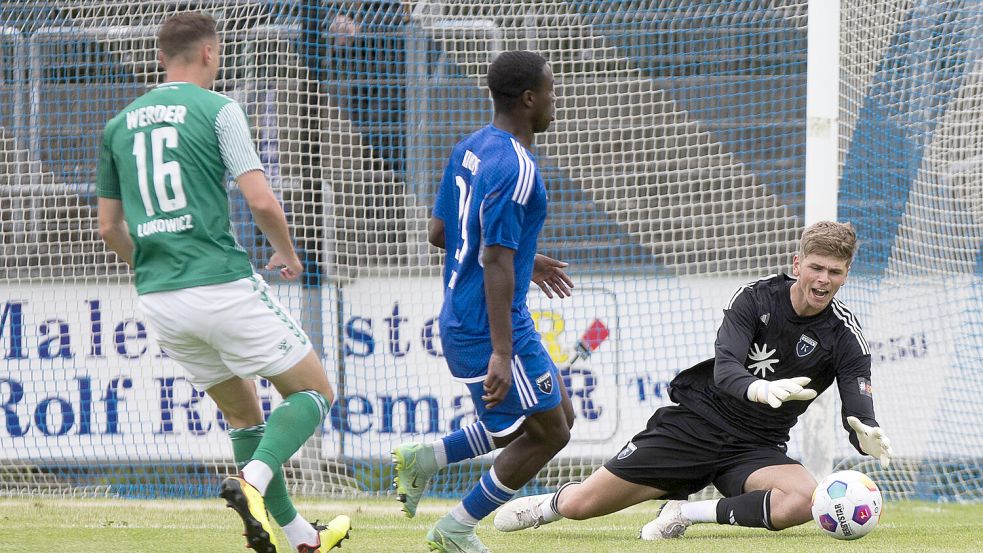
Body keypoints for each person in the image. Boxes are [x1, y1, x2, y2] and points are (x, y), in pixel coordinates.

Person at [96, 12, 350, 553]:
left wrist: (157, 264)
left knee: (243, 415)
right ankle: (253, 483)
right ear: (210, 54)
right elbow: (259, 198)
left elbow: (109, 227)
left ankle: (301, 537)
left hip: (160, 297)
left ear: (161, 57)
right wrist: (286, 251)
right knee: (315, 392)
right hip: (221, 283)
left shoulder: (118, 125)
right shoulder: (219, 109)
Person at [493, 221, 894, 540]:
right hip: (695, 426)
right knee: (581, 506)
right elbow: (726, 368)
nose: (823, 280)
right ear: (797, 265)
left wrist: (866, 432)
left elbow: (858, 409)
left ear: (846, 275)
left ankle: (684, 513)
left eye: (834, 272)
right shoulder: (754, 299)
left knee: (805, 499)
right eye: (816, 267)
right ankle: (547, 506)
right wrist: (760, 388)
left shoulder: (845, 335)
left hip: (755, 448)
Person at [391, 50, 576, 553]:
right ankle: (454, 529)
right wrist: (501, 350)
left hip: (473, 314)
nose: (555, 100)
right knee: (547, 433)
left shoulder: (472, 147)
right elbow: (492, 259)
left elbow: (440, 233)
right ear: (530, 98)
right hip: (489, 326)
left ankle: (426, 458)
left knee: (555, 415)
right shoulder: (515, 166)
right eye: (551, 90)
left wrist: (524, 259)